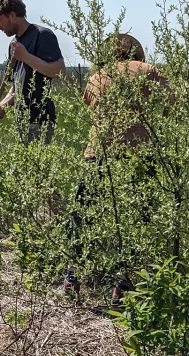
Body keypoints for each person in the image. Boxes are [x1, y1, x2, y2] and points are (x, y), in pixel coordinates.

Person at [66, 33, 165, 300]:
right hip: (137, 155)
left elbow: (89, 104)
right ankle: (123, 284)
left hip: (97, 154)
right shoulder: (148, 71)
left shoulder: (98, 74)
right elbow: (172, 104)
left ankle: (72, 276)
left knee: (83, 215)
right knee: (138, 218)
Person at [0, 0, 65, 143]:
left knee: (37, 167)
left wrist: (25, 57)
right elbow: (16, 88)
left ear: (12, 16)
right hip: (21, 120)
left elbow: (59, 71)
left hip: (40, 120)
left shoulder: (42, 35)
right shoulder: (14, 45)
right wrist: (1, 106)